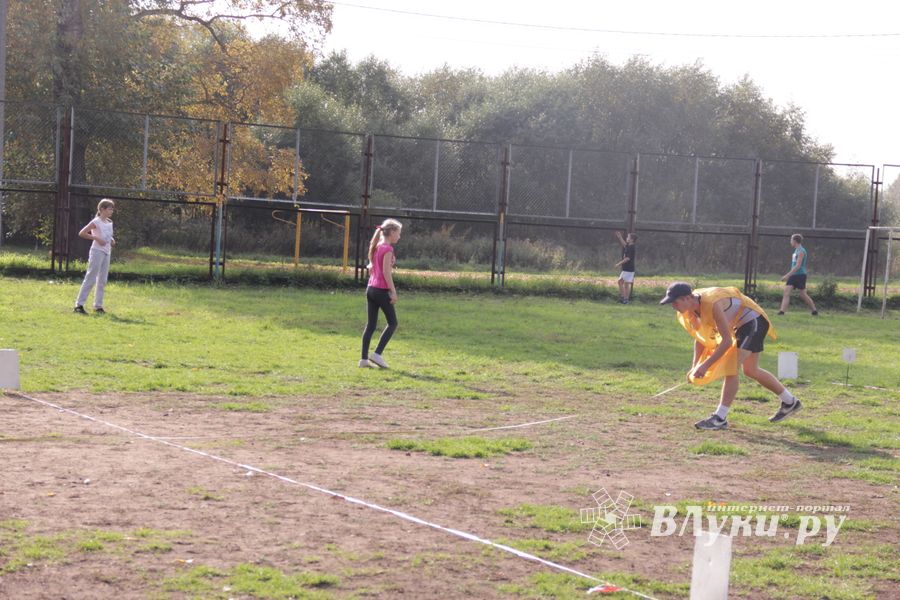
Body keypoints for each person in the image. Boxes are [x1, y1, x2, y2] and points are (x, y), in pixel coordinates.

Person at [660, 282, 802, 430]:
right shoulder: (690, 310)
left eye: (674, 302)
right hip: (739, 325)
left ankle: (720, 418)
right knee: (750, 370)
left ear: (686, 298)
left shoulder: (712, 303)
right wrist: (695, 366)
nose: (673, 306)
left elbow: (726, 341)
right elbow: (701, 337)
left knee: (730, 367)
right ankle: (790, 402)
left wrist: (705, 365)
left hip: (753, 321)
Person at [360, 219, 402, 368]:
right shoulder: (388, 249)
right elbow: (386, 272)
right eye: (398, 233)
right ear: (391, 233)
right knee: (393, 323)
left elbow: (374, 267)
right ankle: (377, 355)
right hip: (381, 290)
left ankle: (363, 360)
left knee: (371, 325)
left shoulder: (377, 246)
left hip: (370, 289)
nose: (399, 236)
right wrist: (393, 291)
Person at [74, 199, 116, 315]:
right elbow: (82, 233)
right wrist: (96, 238)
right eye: (109, 209)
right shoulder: (96, 221)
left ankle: (98, 306)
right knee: (91, 277)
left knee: (102, 280)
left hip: (107, 252)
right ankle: (79, 305)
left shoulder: (109, 222)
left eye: (112, 209)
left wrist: (111, 240)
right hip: (97, 251)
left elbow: (107, 235)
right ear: (102, 209)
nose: (111, 211)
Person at [778, 233, 818, 316]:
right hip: (793, 275)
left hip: (800, 275)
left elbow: (798, 266)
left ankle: (814, 310)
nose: (790, 242)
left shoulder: (801, 251)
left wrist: (787, 275)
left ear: (795, 241)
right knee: (786, 292)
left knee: (802, 294)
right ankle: (782, 312)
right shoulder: (796, 250)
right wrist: (790, 275)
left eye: (791, 240)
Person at [614, 231, 636, 304]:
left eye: (628, 237)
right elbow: (624, 244)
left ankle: (624, 299)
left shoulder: (631, 248)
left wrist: (618, 264)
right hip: (627, 269)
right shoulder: (629, 246)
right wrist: (620, 237)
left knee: (620, 282)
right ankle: (625, 299)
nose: (626, 238)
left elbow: (627, 259)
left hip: (628, 269)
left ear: (632, 239)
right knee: (625, 284)